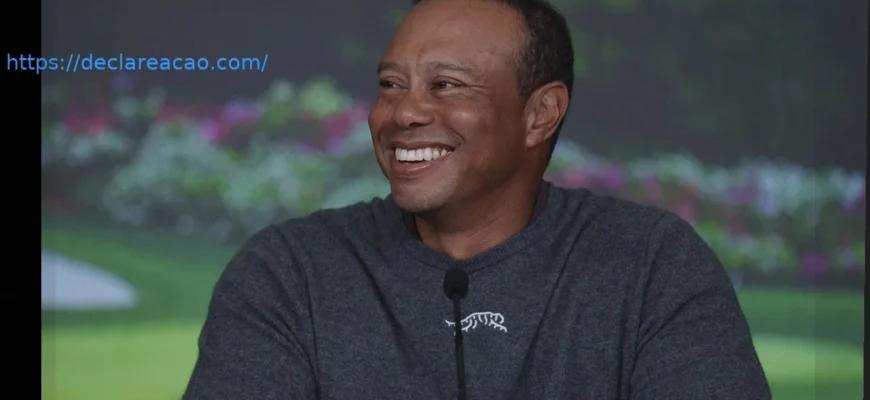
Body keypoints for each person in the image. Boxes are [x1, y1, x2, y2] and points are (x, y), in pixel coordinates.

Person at [183, 0, 772, 398]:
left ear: (540, 114)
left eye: (445, 85)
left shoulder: (652, 263)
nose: (404, 112)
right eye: (391, 85)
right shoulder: (289, 271)